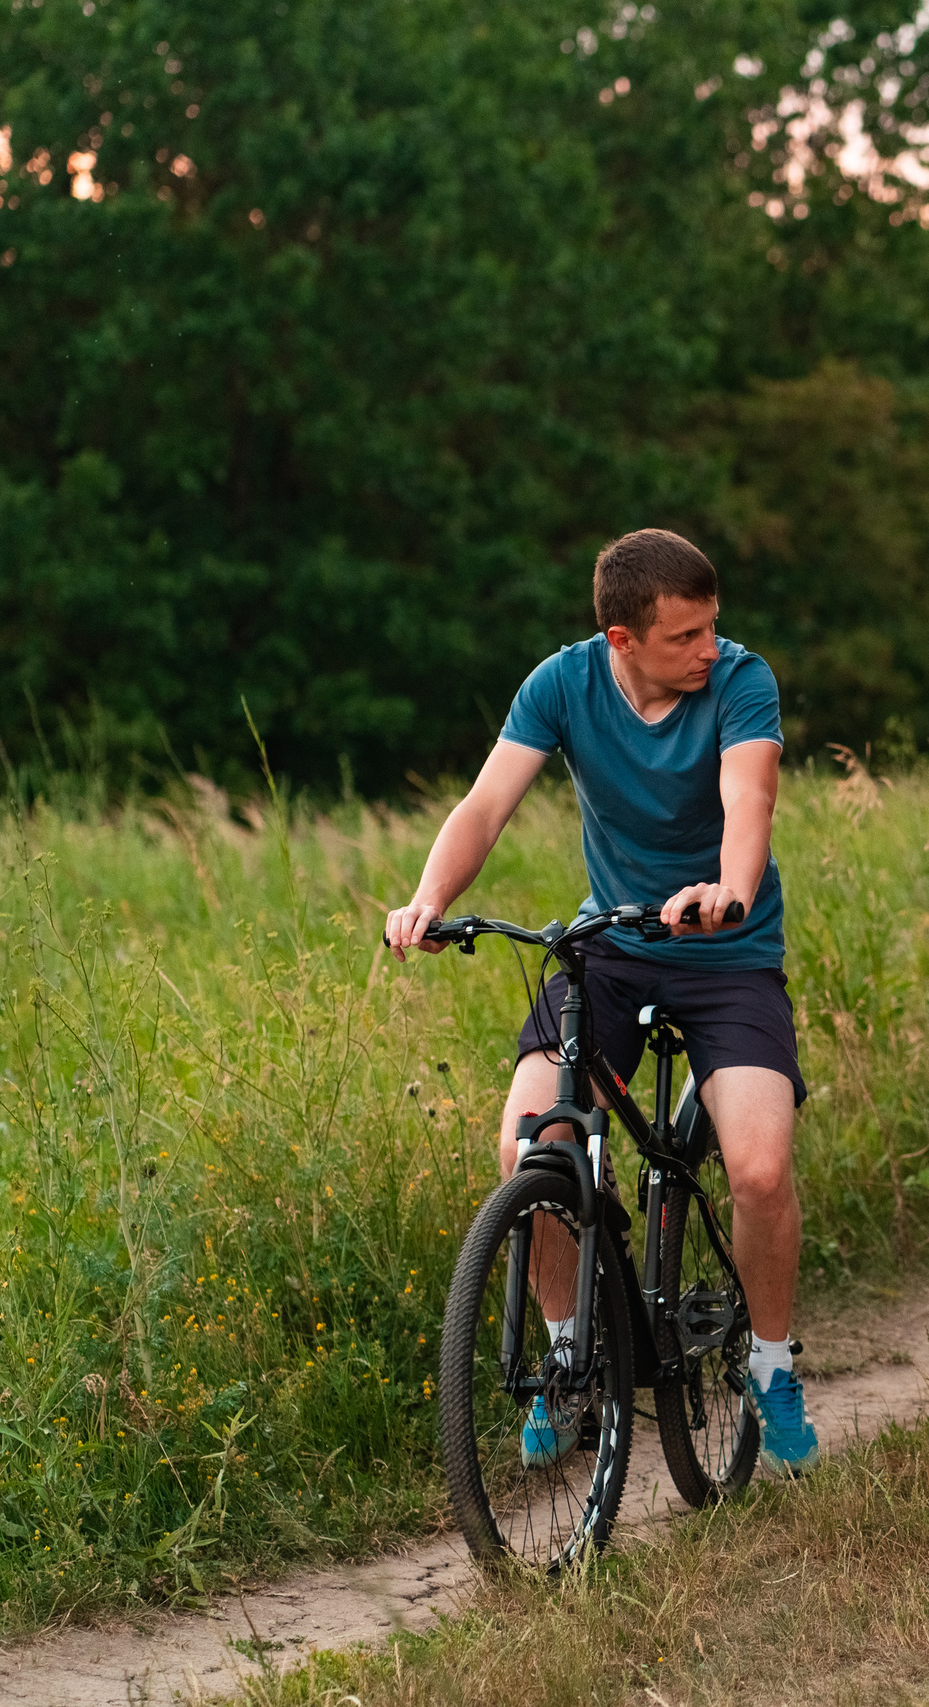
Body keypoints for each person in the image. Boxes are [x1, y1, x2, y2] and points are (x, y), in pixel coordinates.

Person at [384, 527, 818, 1475]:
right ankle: (570, 1353)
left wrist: (726, 891)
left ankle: (772, 1365)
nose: (711, 647)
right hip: (613, 946)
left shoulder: (742, 682)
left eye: (714, 627)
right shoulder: (562, 683)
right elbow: (484, 805)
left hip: (727, 951)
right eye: (686, 635)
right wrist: (430, 899)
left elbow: (750, 799)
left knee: (756, 1166)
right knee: (528, 1141)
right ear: (623, 639)